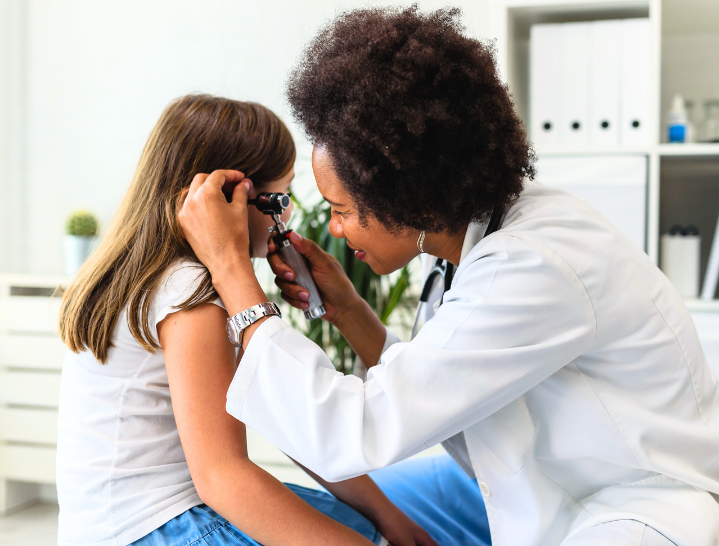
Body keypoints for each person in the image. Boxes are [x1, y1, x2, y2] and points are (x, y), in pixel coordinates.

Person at [178, 7, 719, 546]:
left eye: (341, 210)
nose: (334, 231)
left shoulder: (533, 265)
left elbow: (354, 429)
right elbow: (453, 393)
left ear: (407, 199)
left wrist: (234, 273)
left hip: (651, 515)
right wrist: (353, 313)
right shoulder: (474, 241)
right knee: (371, 511)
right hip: (555, 489)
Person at [56, 94, 436, 546]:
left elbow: (291, 419)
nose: (287, 214)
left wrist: (386, 516)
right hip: (157, 525)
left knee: (357, 525)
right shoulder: (188, 291)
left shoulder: (153, 276)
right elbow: (222, 477)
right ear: (225, 199)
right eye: (280, 197)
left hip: (120, 523)